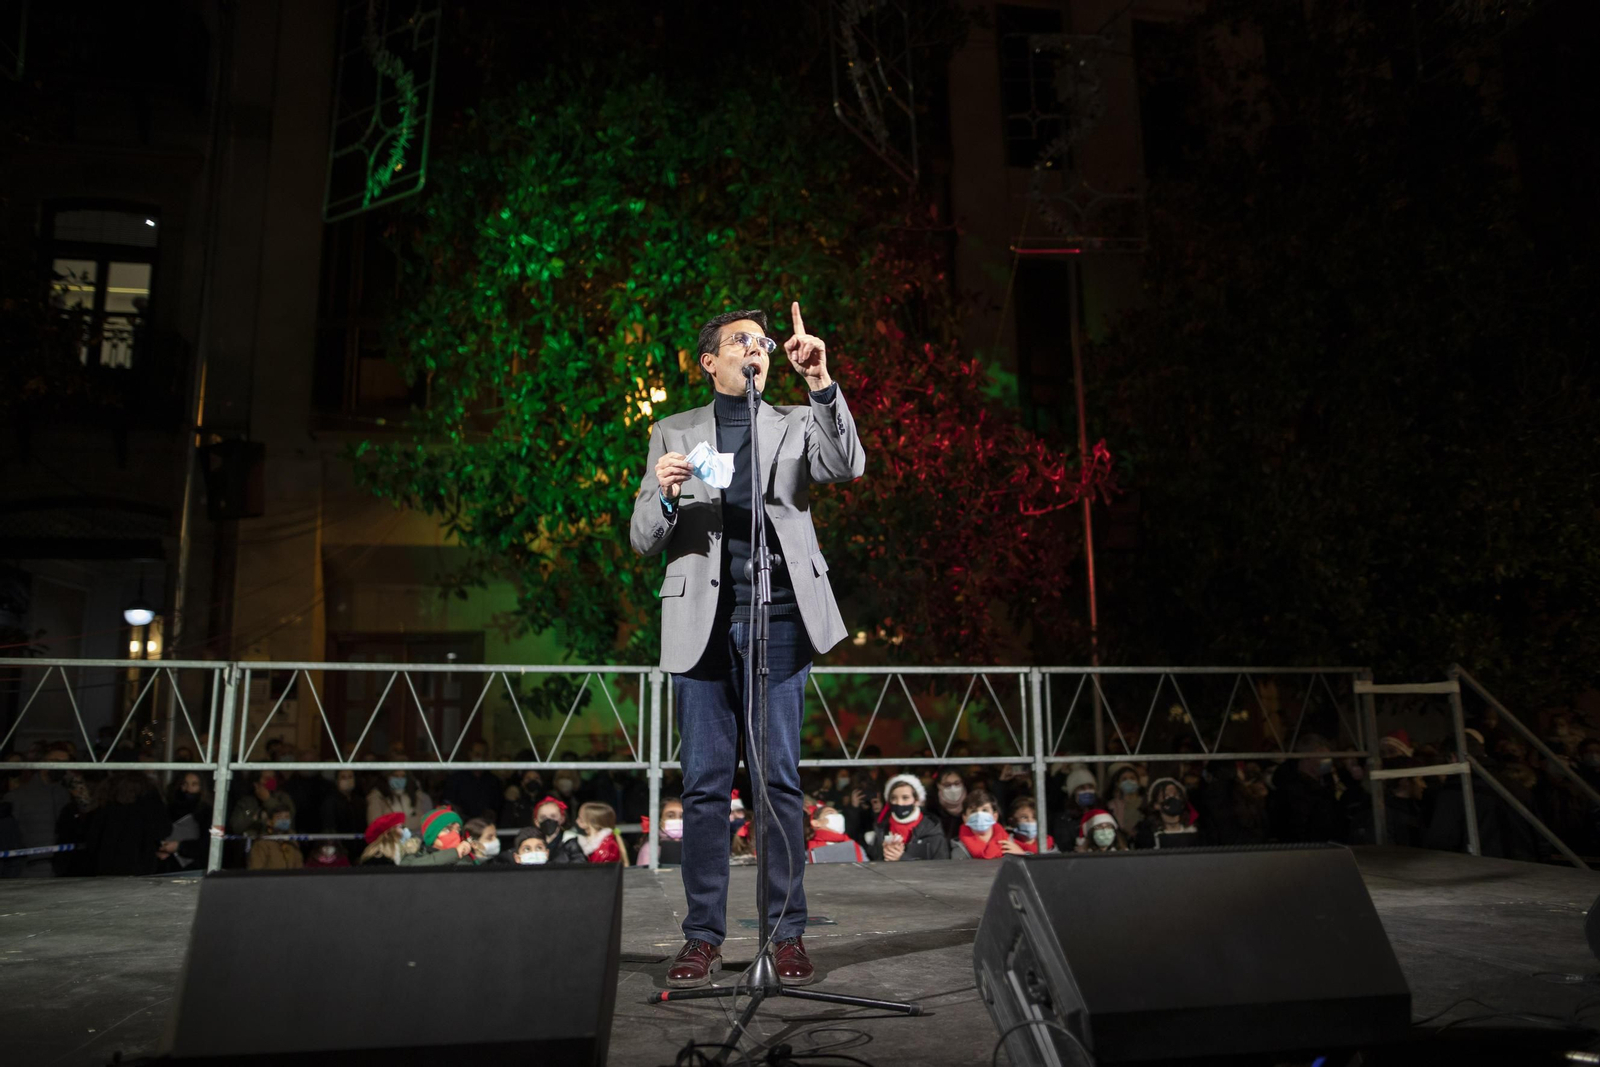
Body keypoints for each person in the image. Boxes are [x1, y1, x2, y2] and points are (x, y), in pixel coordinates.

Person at [631, 303, 864, 990]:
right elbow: (643, 537)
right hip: (700, 625)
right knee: (704, 787)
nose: (756, 349)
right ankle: (703, 936)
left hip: (782, 618)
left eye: (763, 342)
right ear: (709, 361)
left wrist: (821, 383)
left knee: (779, 782)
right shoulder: (673, 430)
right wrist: (668, 497)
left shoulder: (794, 420)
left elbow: (846, 464)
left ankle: (786, 932)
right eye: (741, 341)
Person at [8, 745, 72, 877]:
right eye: (57, 762)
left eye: (65, 763)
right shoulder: (19, 795)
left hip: (61, 868)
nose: (61, 767)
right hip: (28, 868)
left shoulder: (66, 794)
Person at [866, 774, 948, 861]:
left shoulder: (931, 830)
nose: (899, 803)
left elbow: (941, 869)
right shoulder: (882, 829)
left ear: (916, 800)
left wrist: (902, 858)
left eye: (905, 798)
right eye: (894, 798)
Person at [158, 771, 211, 872]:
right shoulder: (170, 808)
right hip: (168, 866)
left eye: (194, 784)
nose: (188, 789)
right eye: (184, 784)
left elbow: (207, 844)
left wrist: (180, 846)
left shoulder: (207, 813)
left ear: (202, 787)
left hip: (195, 868)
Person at [953, 788, 1026, 859]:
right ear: (965, 818)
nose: (979, 815)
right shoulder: (959, 848)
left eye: (985, 810)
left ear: (995, 816)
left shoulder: (1010, 842)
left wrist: (1023, 855)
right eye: (973, 811)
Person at [443, 741, 503, 822]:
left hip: (485, 827)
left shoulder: (494, 781)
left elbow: (498, 807)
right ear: (470, 754)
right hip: (462, 827)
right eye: (477, 754)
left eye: (484, 755)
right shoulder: (456, 779)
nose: (480, 758)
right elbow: (449, 804)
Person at [1134, 778, 1202, 849]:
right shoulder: (1147, 835)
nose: (1172, 799)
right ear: (1156, 805)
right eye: (1166, 796)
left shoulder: (1194, 831)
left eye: (1176, 795)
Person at [320, 768, 367, 862]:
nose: (347, 780)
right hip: (340, 853)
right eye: (343, 777)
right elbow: (330, 828)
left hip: (360, 852)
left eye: (350, 777)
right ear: (337, 781)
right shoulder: (330, 802)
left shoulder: (360, 802)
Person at [366, 768, 431, 832]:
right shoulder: (376, 797)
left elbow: (424, 820)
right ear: (387, 777)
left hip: (414, 840)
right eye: (395, 776)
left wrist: (394, 823)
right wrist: (410, 822)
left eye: (403, 776)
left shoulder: (416, 796)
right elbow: (375, 825)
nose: (400, 779)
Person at [247, 800, 304, 870]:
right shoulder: (261, 844)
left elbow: (299, 866)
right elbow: (255, 871)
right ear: (269, 822)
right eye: (279, 817)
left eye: (286, 817)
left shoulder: (292, 841)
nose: (283, 820)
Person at [636, 796, 685, 867]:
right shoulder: (650, 848)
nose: (677, 820)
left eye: (682, 816)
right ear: (660, 821)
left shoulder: (695, 845)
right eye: (670, 816)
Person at [1105, 762, 1145, 837]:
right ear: (1118, 783)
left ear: (1138, 781)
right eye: (1124, 779)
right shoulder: (1112, 805)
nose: (1129, 781)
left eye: (1132, 778)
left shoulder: (1145, 802)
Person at [928, 769, 968, 842]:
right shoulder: (931, 809)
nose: (953, 788)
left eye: (957, 783)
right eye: (947, 785)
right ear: (939, 785)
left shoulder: (972, 805)